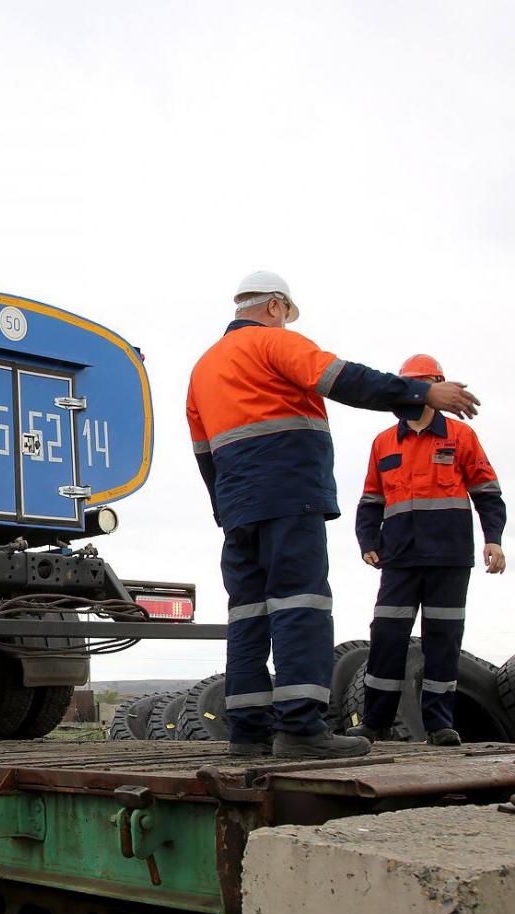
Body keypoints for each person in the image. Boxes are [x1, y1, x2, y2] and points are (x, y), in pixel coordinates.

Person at [186, 272, 481, 759]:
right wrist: (421, 394)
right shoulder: (272, 343)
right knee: (300, 604)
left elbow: (204, 452)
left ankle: (248, 733)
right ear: (276, 306)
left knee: (248, 614)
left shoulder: (203, 368)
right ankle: (301, 729)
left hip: (239, 505)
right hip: (288, 493)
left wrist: (228, 508)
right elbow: (343, 378)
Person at [348, 354, 505, 746]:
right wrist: (367, 542)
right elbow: (370, 500)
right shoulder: (384, 442)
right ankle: (376, 721)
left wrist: (494, 539)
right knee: (386, 638)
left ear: (437, 387)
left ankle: (438, 725)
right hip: (398, 559)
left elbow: (487, 493)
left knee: (443, 641)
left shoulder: (460, 437)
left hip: (449, 559)